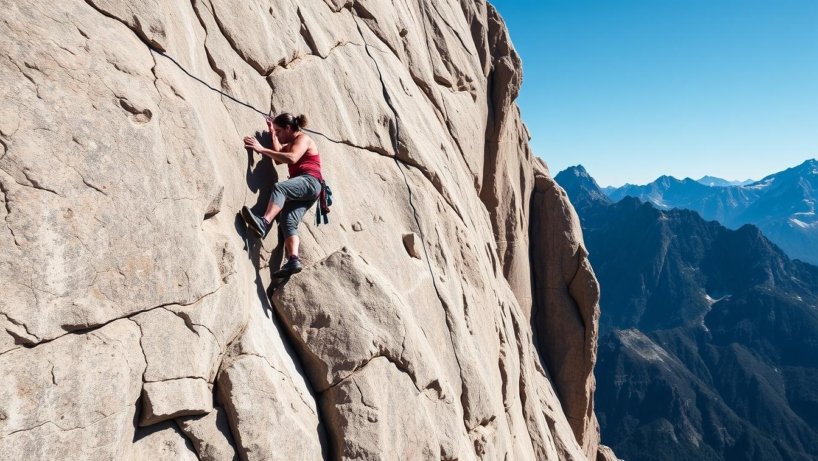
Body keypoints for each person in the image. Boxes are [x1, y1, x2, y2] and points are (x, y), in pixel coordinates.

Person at [241, 113, 323, 276]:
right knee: (288, 221)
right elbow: (279, 158)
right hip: (312, 190)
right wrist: (272, 133)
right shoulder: (292, 141)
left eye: (279, 131)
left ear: (288, 128)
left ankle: (264, 222)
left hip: (310, 181)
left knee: (280, 188)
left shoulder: (303, 139)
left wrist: (261, 149)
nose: (277, 135)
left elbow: (291, 158)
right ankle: (293, 259)